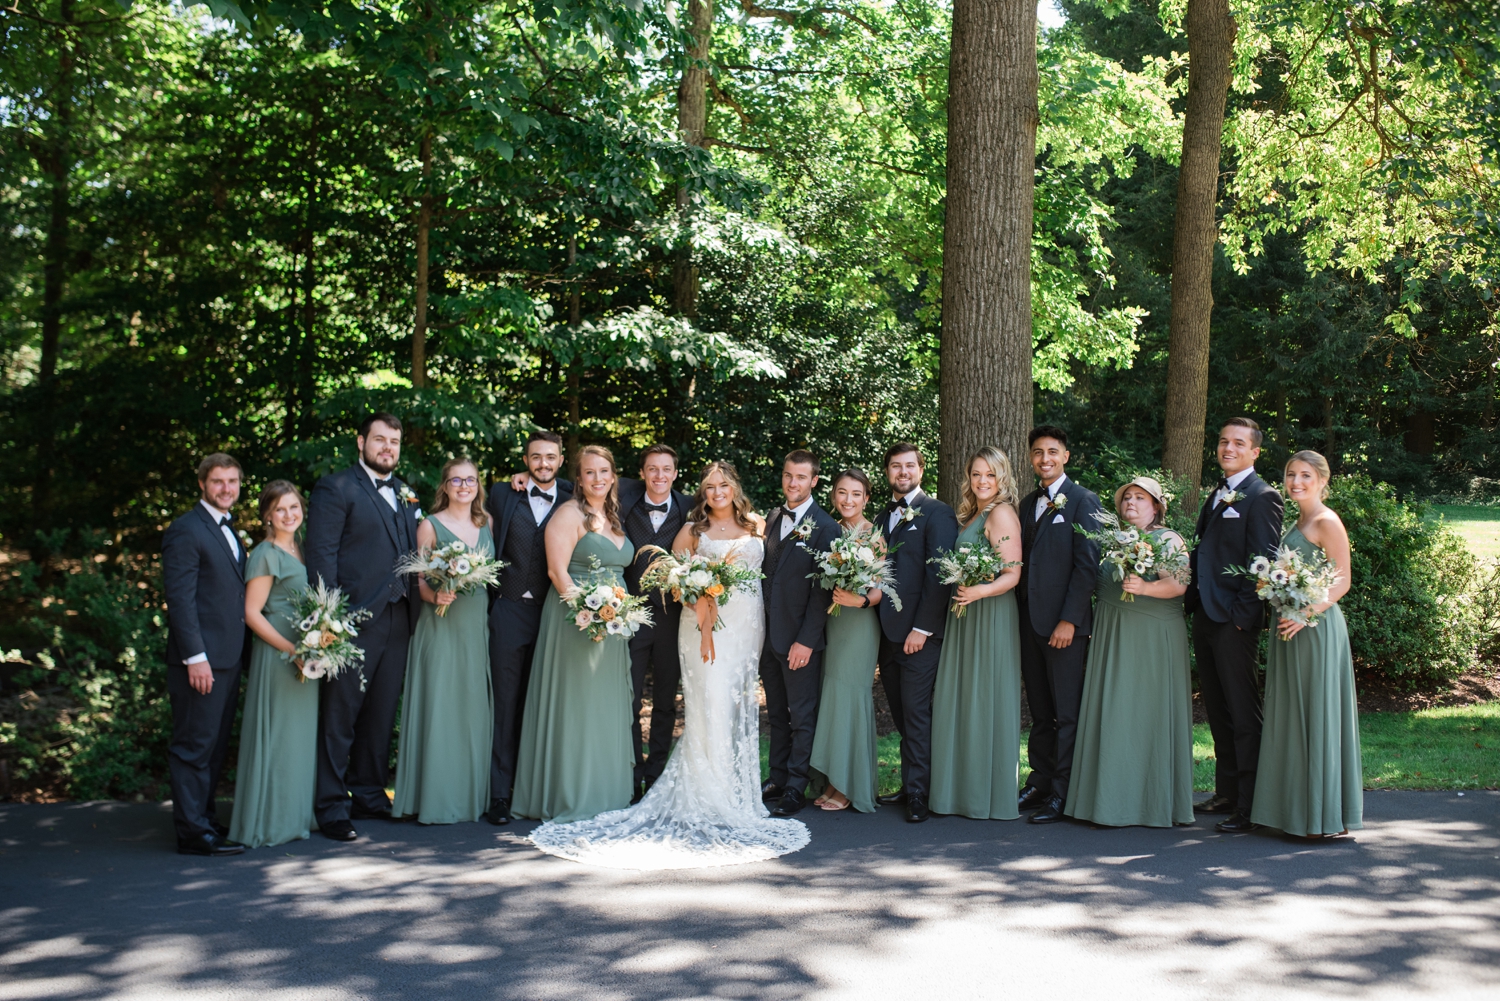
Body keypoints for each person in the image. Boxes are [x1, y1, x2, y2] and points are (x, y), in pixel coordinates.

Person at [528, 460, 810, 869]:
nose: (717, 492)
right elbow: (672, 576)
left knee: (735, 705)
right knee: (708, 703)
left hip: (748, 627)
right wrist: (694, 595)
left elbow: (776, 572)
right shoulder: (691, 529)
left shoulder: (758, 525)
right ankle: (705, 790)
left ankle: (732, 789)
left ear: (735, 487)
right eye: (710, 485)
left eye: (724, 484)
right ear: (702, 491)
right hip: (700, 627)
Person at [304, 413, 421, 843]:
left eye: (394, 441)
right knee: (340, 716)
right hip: (351, 623)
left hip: (400, 620)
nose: (387, 448)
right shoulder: (336, 488)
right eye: (379, 440)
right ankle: (331, 805)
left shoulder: (405, 493)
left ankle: (369, 793)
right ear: (361, 442)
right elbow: (321, 558)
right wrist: (327, 623)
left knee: (380, 714)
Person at [512, 445, 636, 823]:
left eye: (604, 471)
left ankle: (607, 792)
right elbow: (557, 573)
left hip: (611, 626)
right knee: (577, 708)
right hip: (576, 623)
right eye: (589, 472)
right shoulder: (568, 514)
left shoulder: (613, 517)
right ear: (578, 479)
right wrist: (589, 614)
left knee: (604, 710)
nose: (598, 478)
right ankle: (571, 793)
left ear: (613, 476)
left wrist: (613, 615)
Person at [1065, 477, 1195, 828]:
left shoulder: (1168, 539)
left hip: (1151, 638)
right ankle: (1109, 797)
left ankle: (1149, 801)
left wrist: (1148, 587)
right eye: (1126, 498)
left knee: (1145, 713)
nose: (1131, 503)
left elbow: (1181, 583)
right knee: (1116, 710)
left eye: (1140, 498)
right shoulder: (1112, 542)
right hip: (1113, 634)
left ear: (1156, 507)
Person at [1252, 451, 1363, 839]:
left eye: (1305, 475)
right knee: (1290, 714)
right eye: (1290, 474)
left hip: (1315, 628)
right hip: (1290, 627)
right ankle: (1291, 810)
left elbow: (1342, 580)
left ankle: (1318, 815)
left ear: (1322, 480)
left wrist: (1305, 613)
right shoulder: (1296, 520)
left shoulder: (1327, 521)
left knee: (1314, 713)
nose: (1296, 482)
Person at [1188, 417, 1284, 833]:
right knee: (1218, 709)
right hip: (1206, 617)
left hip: (1234, 621)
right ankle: (1227, 790)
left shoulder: (1262, 496)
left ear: (1255, 451)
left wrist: (1244, 618)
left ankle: (1250, 804)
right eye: (1224, 441)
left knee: (1244, 712)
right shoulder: (1219, 492)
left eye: (1238, 443)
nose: (1228, 448)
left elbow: (1262, 561)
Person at [392, 457, 496, 824]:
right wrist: (434, 596)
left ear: (478, 485)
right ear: (445, 486)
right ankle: (433, 797)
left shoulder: (487, 524)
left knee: (470, 707)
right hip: (440, 622)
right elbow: (416, 577)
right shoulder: (429, 525)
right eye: (456, 480)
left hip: (474, 624)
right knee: (439, 703)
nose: (464, 486)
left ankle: (468, 796)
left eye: (470, 480)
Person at [929, 447, 1025, 820]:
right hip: (967, 614)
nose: (982, 481)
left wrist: (978, 591)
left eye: (990, 475)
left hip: (989, 615)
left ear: (1002, 478)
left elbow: (1012, 573)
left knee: (984, 697)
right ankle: (960, 790)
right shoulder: (973, 512)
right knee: (964, 697)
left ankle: (985, 793)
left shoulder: (1001, 513)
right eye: (976, 475)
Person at [483, 430, 573, 826]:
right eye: (536, 458)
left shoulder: (574, 497)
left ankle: (537, 789)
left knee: (546, 703)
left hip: (555, 615)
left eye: (550, 457)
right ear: (525, 460)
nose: (543, 464)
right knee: (505, 703)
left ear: (561, 460)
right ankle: (500, 794)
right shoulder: (503, 494)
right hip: (508, 610)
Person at [1015, 426, 1103, 824]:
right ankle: (1041, 779)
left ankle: (1064, 793)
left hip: (1065, 626)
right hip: (1029, 624)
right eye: (1038, 452)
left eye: (1052, 451)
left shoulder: (1084, 501)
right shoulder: (1027, 502)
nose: (1045, 459)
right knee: (1040, 710)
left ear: (1066, 456)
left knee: (1067, 712)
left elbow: (1087, 565)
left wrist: (1070, 619)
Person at [162, 453, 250, 856]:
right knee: (194, 745)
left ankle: (205, 820)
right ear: (202, 484)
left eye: (232, 481)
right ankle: (192, 833)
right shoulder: (186, 530)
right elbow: (180, 601)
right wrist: (194, 657)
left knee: (213, 746)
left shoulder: (230, 530)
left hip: (228, 658)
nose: (226, 489)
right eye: (218, 481)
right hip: (201, 661)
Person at [874, 443, 960, 823]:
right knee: (900, 712)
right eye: (896, 466)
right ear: (888, 471)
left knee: (917, 712)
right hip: (885, 633)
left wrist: (922, 628)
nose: (902, 472)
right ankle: (911, 782)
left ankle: (920, 793)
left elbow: (940, 574)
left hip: (919, 635)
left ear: (921, 470)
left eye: (909, 465)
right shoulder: (880, 516)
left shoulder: (938, 513)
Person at [229, 480, 318, 848]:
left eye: (294, 507)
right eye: (280, 509)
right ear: (267, 514)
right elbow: (251, 613)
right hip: (280, 652)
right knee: (277, 736)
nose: (289, 514)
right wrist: (291, 650)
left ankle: (293, 816)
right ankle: (268, 821)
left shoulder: (298, 548)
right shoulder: (265, 553)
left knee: (297, 738)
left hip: (306, 651)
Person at [759, 450, 841, 818]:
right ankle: (777, 778)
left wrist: (806, 641)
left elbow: (822, 593)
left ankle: (796, 785)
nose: (793, 483)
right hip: (767, 638)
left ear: (814, 482)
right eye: (788, 475)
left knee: (802, 716)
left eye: (801, 477)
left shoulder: (827, 527)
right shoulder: (774, 517)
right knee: (776, 713)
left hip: (799, 641)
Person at [809, 468, 886, 814]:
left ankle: (847, 784)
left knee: (849, 694)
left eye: (856, 494)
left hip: (858, 621)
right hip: (831, 621)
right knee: (830, 694)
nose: (848, 500)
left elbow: (883, 585)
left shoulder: (875, 535)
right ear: (833, 496)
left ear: (866, 498)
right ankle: (830, 779)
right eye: (842, 492)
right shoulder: (828, 531)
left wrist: (862, 600)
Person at [619, 446, 691, 801]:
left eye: (666, 469)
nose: (659, 475)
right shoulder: (625, 501)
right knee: (629, 700)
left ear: (675, 473)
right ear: (643, 473)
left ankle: (657, 774)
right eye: (652, 469)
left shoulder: (689, 508)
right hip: (631, 615)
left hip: (671, 619)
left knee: (665, 700)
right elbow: (580, 486)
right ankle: (632, 774)